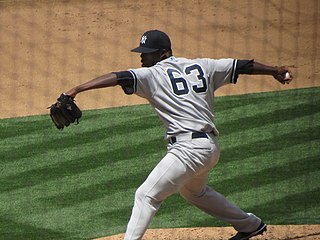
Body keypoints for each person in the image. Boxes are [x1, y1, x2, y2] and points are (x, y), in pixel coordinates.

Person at [64, 30, 293, 240]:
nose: (142, 58)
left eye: (148, 53)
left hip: (189, 151)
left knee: (146, 196)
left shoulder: (150, 75)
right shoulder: (203, 65)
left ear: (164, 53)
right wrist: (274, 70)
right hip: (210, 148)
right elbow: (242, 65)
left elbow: (118, 77)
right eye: (141, 53)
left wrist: (76, 89)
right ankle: (250, 225)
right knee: (194, 192)